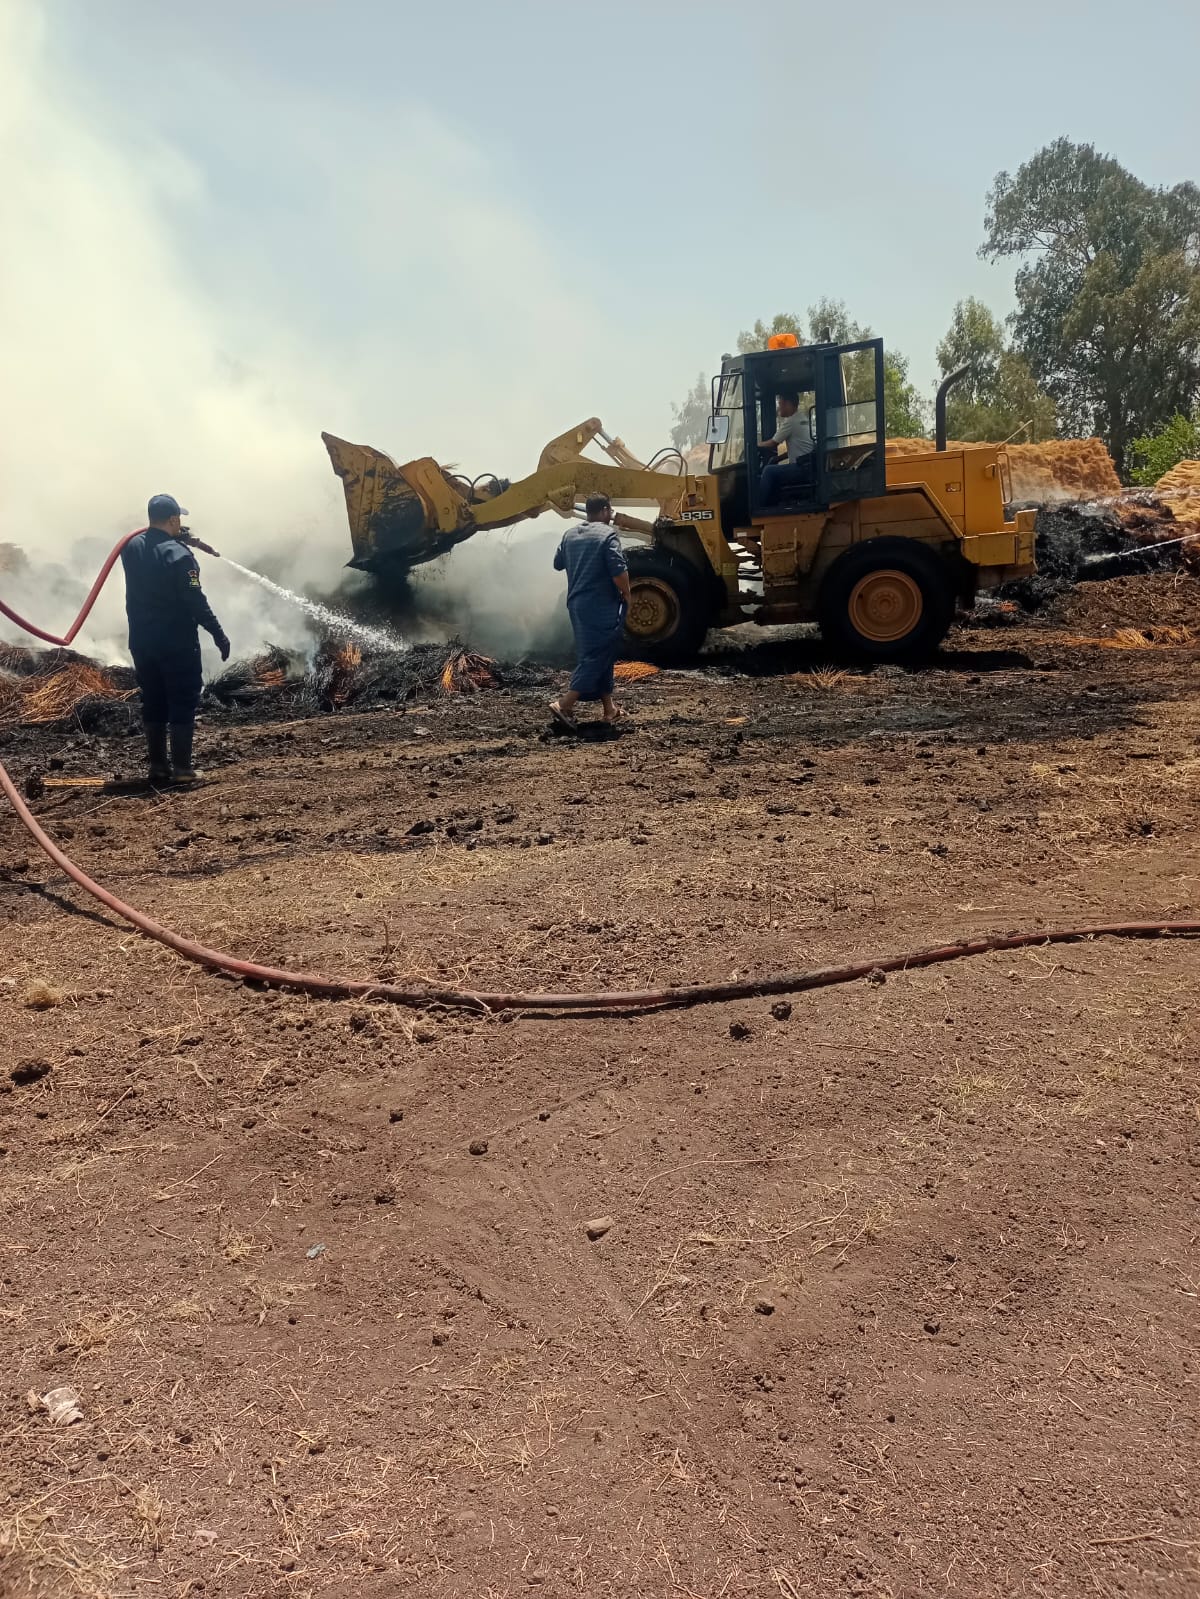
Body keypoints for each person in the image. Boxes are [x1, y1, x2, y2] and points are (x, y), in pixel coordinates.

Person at [120, 493, 230, 783]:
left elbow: (151, 548)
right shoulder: (181, 557)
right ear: (173, 519)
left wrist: (175, 538)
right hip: (176, 643)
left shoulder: (130, 548)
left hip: (142, 642)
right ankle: (182, 770)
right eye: (178, 519)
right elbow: (196, 601)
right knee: (182, 698)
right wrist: (218, 633)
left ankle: (158, 768)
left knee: (153, 699)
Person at [550, 493, 632, 729]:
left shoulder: (569, 534)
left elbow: (557, 564)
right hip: (601, 604)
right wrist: (627, 593)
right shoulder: (608, 535)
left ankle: (609, 709)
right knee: (598, 653)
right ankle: (565, 704)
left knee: (599, 652)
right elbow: (618, 570)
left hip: (576, 604)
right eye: (610, 511)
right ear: (605, 510)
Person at [758, 390, 815, 505]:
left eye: (780, 404)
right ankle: (774, 503)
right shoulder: (802, 418)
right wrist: (777, 458)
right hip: (809, 466)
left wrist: (756, 445)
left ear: (788, 404)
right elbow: (799, 449)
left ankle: (759, 506)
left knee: (768, 471)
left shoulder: (791, 422)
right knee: (773, 468)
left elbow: (772, 443)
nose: (779, 408)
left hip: (802, 469)